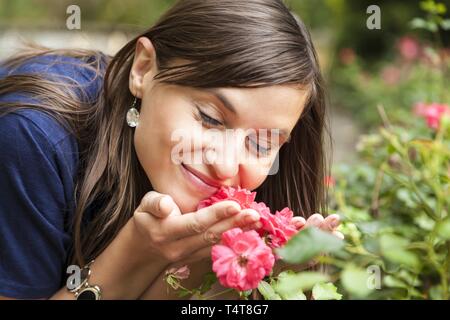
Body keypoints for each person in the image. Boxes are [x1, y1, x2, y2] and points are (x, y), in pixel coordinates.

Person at [0, 0, 342, 300]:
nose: (224, 166)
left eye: (262, 143)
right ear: (143, 69)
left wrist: (238, 270)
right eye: (209, 118)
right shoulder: (32, 140)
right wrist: (137, 252)